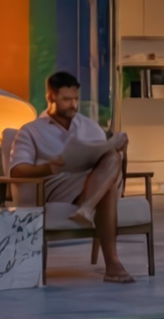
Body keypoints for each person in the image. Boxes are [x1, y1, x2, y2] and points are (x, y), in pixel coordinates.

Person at [7, 70, 135, 283]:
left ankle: (87, 207)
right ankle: (113, 265)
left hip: (89, 181)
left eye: (75, 99)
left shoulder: (89, 126)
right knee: (108, 187)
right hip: (53, 186)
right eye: (66, 99)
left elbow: (110, 162)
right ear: (50, 97)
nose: (73, 105)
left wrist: (122, 150)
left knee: (112, 157)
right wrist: (48, 168)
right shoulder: (30, 131)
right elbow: (17, 170)